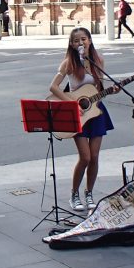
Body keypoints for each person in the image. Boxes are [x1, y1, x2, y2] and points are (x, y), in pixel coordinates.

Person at [49, 28, 114, 212]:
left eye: (84, 39)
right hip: (76, 113)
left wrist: (109, 91)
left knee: (94, 157)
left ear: (90, 41)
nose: (80, 43)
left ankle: (89, 193)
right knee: (84, 157)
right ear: (71, 44)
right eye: (76, 40)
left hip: (96, 111)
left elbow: (98, 89)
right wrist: (71, 102)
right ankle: (74, 194)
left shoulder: (98, 60)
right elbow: (53, 87)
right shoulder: (68, 63)